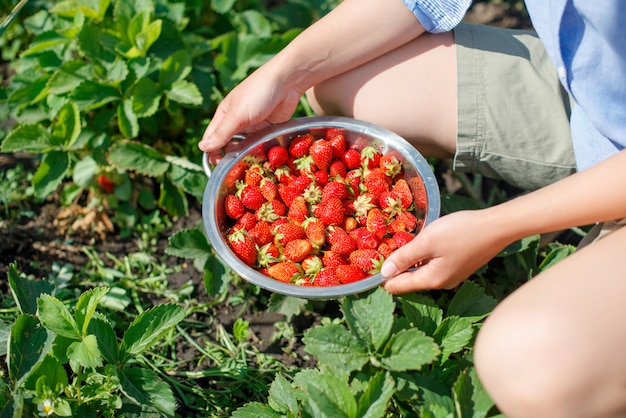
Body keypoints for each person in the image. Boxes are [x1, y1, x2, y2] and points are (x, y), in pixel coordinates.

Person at [199, 0, 626, 416]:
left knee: (531, 366)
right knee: (339, 80)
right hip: (598, 92)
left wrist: (499, 225)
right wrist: (283, 74)